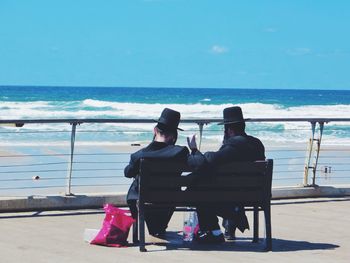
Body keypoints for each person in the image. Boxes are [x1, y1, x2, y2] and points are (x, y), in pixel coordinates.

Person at [187, 106, 265, 244]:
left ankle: (214, 232)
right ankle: (230, 220)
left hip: (231, 197)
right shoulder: (257, 144)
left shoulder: (233, 146)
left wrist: (195, 150)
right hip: (255, 194)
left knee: (199, 187)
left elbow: (209, 160)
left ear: (229, 130)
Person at [124, 108, 189, 236]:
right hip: (169, 200)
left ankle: (143, 231)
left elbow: (127, 173)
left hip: (144, 199)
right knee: (170, 189)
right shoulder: (181, 152)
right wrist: (194, 148)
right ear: (174, 135)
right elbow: (198, 162)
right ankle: (158, 228)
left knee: (135, 186)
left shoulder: (140, 155)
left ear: (155, 130)